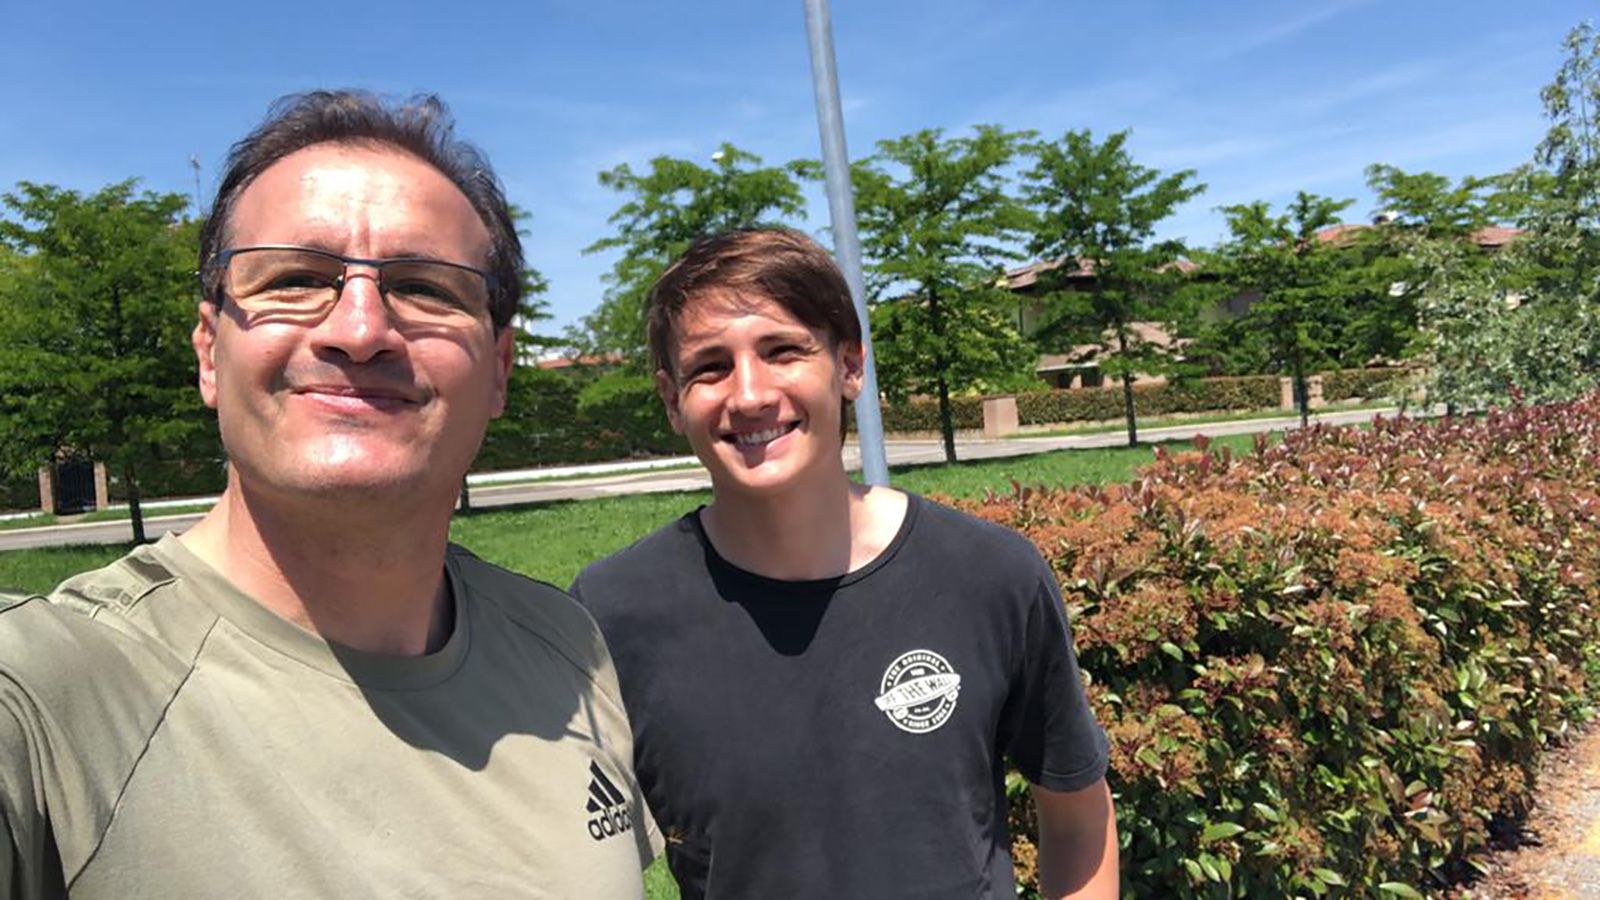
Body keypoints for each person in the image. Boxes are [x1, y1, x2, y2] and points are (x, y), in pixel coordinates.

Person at [0, 91, 655, 899]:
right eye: (298, 278)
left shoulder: (567, 648)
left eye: (425, 287)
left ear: (499, 370)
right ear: (211, 352)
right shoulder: (43, 696)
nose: (358, 327)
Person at [571, 228, 1118, 898]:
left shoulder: (990, 575)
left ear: (850, 365)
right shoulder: (612, 615)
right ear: (670, 398)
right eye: (710, 365)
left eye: (782, 350)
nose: (748, 394)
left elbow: (1079, 817)